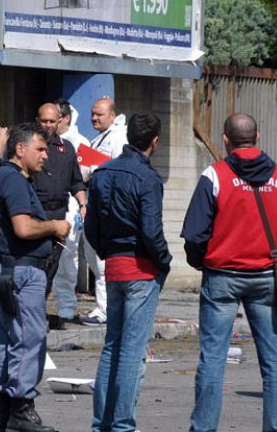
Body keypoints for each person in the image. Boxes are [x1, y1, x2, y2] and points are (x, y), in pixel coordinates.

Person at [182, 113, 277, 432]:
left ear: (225, 140)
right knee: (275, 361)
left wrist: (201, 261)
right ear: (258, 136)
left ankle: (204, 427)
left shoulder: (215, 175)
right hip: (269, 276)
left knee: (213, 359)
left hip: (222, 275)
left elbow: (195, 233)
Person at [85, 112, 172, 432]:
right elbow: (151, 231)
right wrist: (164, 261)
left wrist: (107, 252)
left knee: (112, 347)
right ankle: (122, 425)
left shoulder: (103, 173)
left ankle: (102, 424)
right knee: (133, 354)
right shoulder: (147, 178)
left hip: (114, 267)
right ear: (155, 141)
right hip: (141, 269)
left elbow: (91, 228)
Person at [0, 122, 70, 432]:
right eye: (40, 149)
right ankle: (21, 408)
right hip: (22, 272)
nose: (46, 155)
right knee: (28, 339)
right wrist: (54, 226)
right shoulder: (15, 181)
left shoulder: (5, 178)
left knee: (7, 341)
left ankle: (3, 411)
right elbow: (23, 228)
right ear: (20, 150)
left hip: (9, 270)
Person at [80, 97, 128, 326]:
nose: (94, 118)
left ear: (112, 115)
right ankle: (103, 307)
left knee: (102, 263)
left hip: (106, 207)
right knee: (94, 259)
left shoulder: (119, 137)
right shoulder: (101, 137)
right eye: (92, 113)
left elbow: (118, 169)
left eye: (99, 114)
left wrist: (91, 168)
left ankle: (106, 310)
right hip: (95, 203)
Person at [32, 103, 86, 300]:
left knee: (51, 263)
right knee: (34, 262)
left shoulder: (67, 149)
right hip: (35, 213)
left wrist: (83, 205)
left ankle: (40, 303)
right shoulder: (29, 147)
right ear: (37, 121)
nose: (47, 125)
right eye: (44, 121)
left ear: (59, 122)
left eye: (52, 121)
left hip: (58, 212)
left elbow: (76, 182)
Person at [51, 98, 91, 324]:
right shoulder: (43, 141)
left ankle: (67, 305)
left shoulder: (78, 143)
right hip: (48, 205)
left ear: (65, 118)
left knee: (67, 255)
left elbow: (83, 176)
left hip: (69, 206)